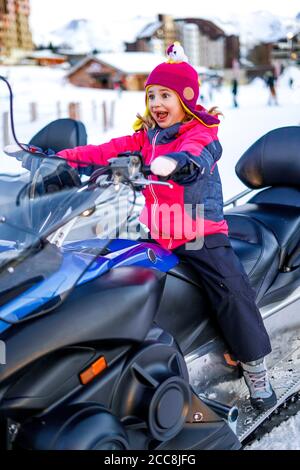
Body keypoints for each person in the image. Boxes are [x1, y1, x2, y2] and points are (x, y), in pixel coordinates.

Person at [57, 43, 277, 411]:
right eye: (152, 95)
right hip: (158, 233)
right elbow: (106, 149)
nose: (157, 103)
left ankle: (255, 367)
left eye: (166, 95)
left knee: (231, 290)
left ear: (187, 101)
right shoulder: (148, 137)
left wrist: (175, 163)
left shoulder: (199, 133)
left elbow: (197, 157)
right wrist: (60, 159)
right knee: (111, 268)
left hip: (200, 235)